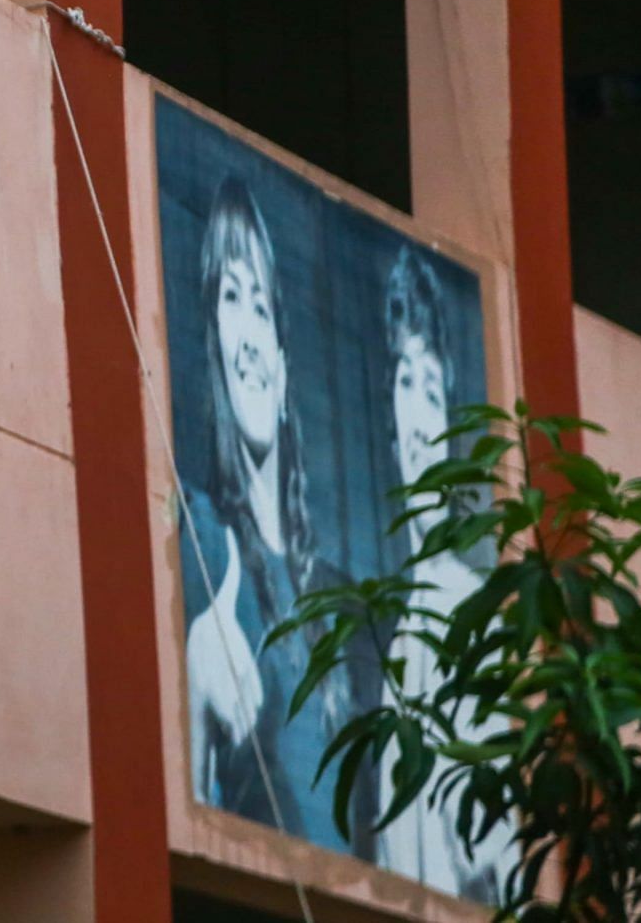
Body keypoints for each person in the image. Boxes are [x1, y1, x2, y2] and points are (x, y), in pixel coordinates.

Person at [180, 175, 375, 856]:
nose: (250, 334)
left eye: (261, 304)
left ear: (287, 367)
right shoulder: (199, 540)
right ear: (214, 342)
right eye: (231, 298)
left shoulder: (346, 600)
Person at [373, 248, 518, 902]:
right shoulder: (395, 626)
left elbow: (498, 858)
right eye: (406, 385)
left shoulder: (469, 615)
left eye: (433, 392)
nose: (419, 414)